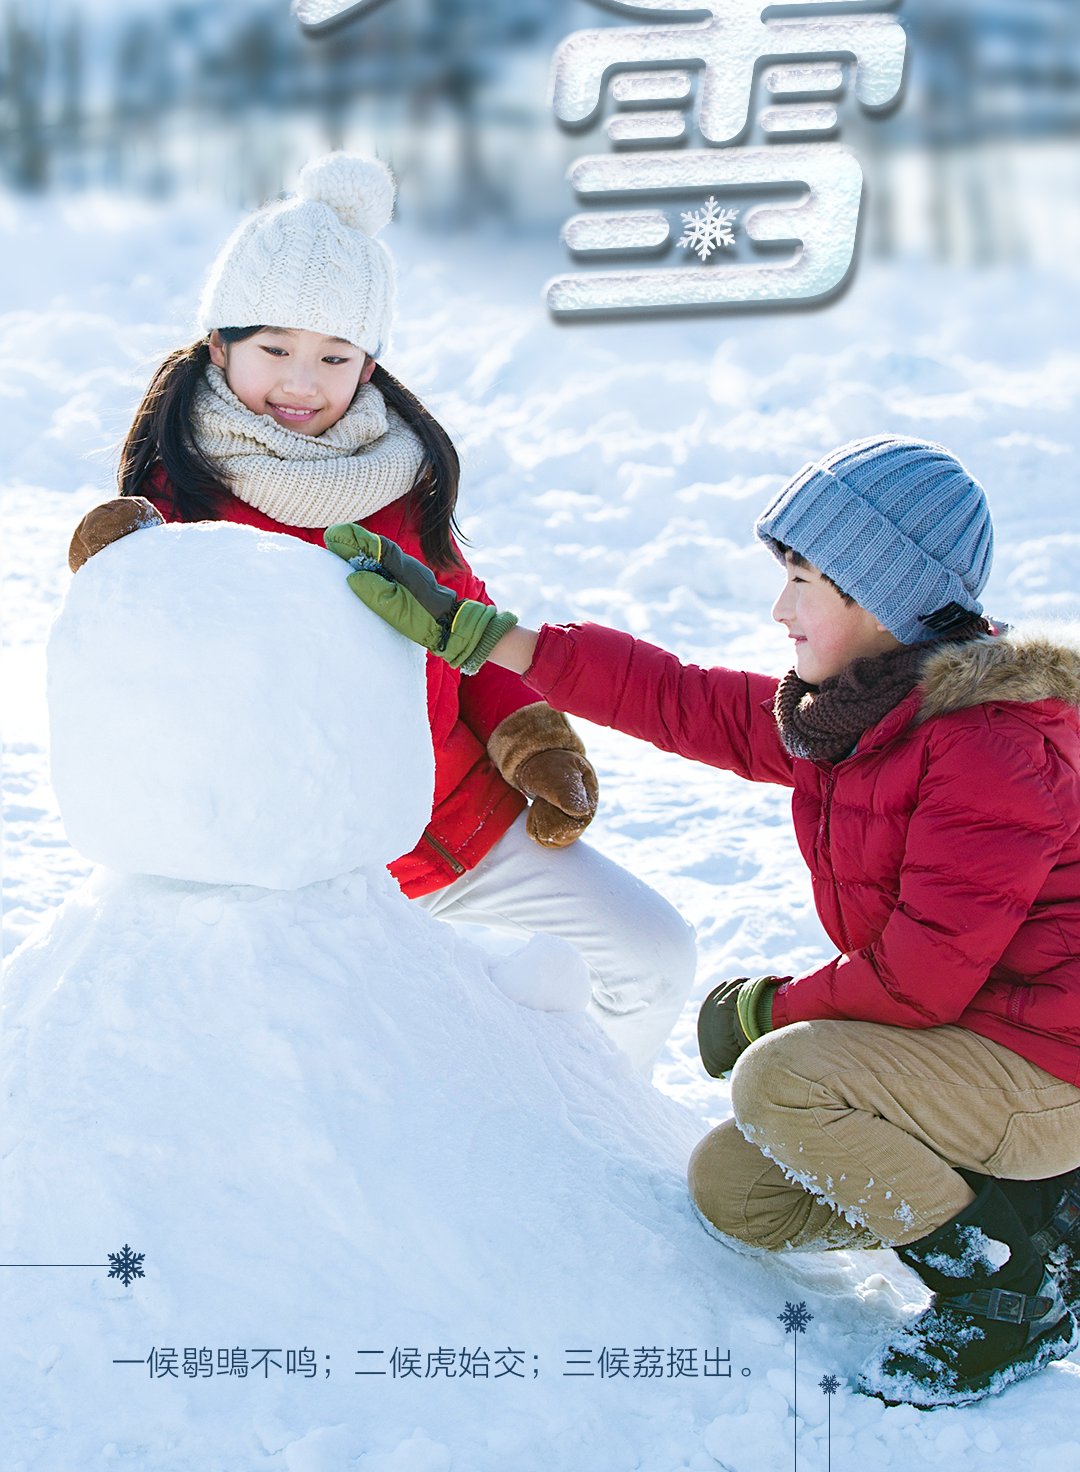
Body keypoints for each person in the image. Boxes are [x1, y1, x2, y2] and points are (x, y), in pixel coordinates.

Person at [322, 434, 1080, 1408]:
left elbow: (920, 977)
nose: (780, 608)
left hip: (1045, 1067)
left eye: (804, 580)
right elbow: (680, 699)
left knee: (784, 1080)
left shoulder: (988, 747)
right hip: (966, 1053)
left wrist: (767, 1010)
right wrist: (482, 636)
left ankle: (1007, 1292)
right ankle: (1038, 1212)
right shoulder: (856, 712)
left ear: (880, 594)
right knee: (741, 1192)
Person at [79, 151, 695, 1074]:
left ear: (369, 364)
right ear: (220, 346)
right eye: (275, 349)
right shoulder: (178, 503)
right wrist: (112, 570)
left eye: (335, 356)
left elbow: (469, 632)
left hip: (459, 826)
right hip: (291, 875)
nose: (303, 381)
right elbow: (135, 673)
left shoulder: (397, 482)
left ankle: (594, 1129)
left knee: (651, 954)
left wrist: (534, 737)